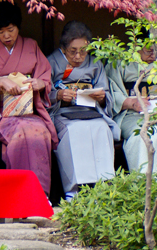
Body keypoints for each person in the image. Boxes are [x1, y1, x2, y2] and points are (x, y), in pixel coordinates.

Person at [0, 1, 57, 195]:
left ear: (18, 27)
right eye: (0, 32)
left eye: (10, 29)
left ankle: (40, 194)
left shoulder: (31, 46)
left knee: (40, 133)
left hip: (28, 111)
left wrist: (40, 84)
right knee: (19, 134)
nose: (6, 36)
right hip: (0, 114)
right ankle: (20, 194)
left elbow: (44, 76)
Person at [48, 21, 120, 201]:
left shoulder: (95, 63)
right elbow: (43, 94)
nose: (79, 56)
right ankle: (74, 190)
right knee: (74, 132)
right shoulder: (51, 62)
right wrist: (58, 95)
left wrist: (101, 97)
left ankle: (105, 186)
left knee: (102, 129)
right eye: (73, 51)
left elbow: (106, 92)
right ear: (63, 48)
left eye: (83, 50)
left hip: (91, 113)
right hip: (64, 114)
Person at [105, 44, 157, 174]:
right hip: (130, 114)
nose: (153, 55)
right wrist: (131, 103)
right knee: (142, 134)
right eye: (149, 51)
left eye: (156, 51)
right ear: (136, 46)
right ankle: (143, 176)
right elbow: (110, 92)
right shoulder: (120, 61)